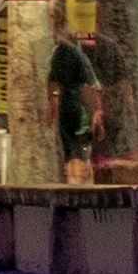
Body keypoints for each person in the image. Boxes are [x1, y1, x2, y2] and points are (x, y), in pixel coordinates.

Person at [49, 15, 100, 185]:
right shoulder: (74, 53)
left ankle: (75, 183)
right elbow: (87, 87)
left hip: (68, 107)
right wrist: (96, 112)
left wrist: (52, 104)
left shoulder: (61, 52)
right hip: (77, 110)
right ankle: (77, 186)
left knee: (72, 151)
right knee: (78, 152)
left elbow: (51, 83)